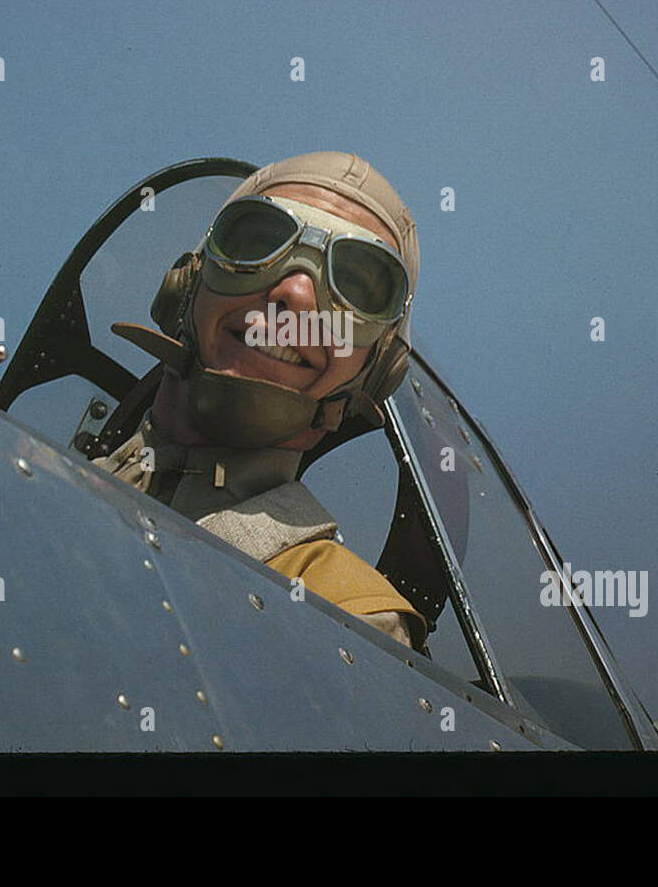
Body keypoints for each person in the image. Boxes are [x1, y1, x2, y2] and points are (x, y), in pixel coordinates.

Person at [89, 152, 427, 650]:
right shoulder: (32, 476)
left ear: (378, 369)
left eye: (356, 283)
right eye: (257, 241)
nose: (295, 294)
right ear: (186, 284)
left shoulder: (349, 622)